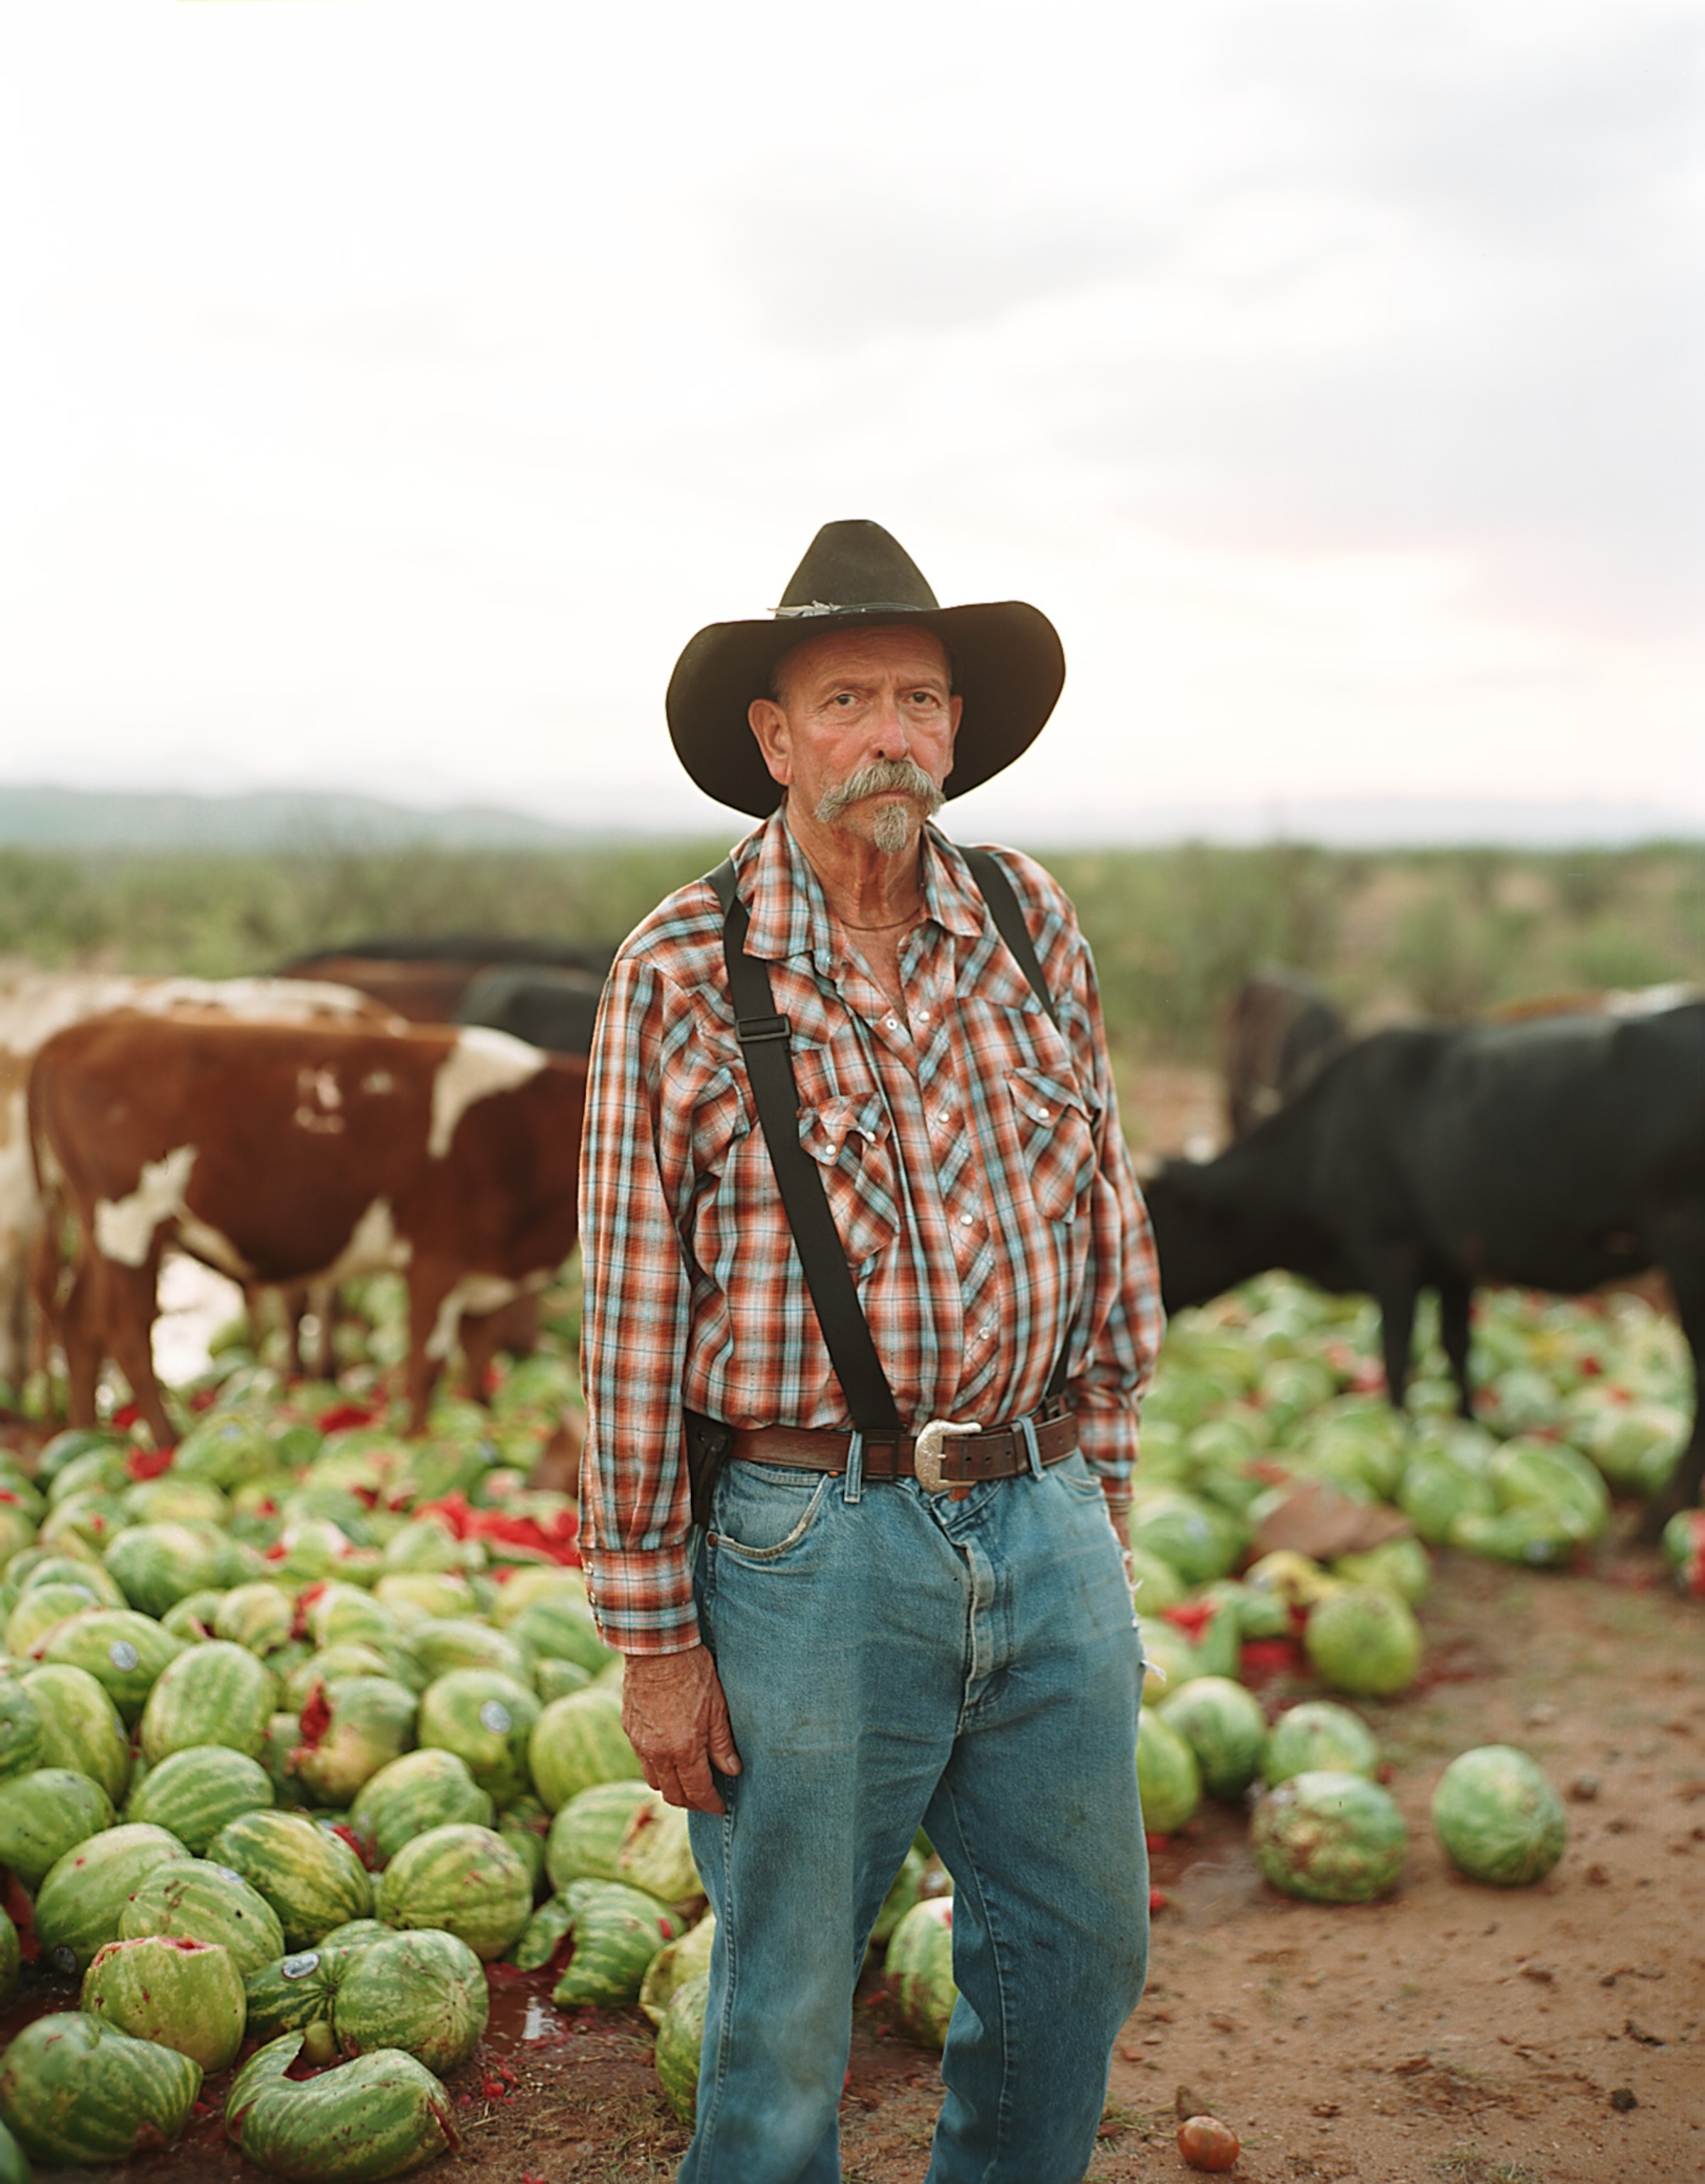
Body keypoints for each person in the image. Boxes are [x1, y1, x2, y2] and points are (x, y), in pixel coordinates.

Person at [577, 518, 1164, 2184]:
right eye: (846, 699)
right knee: (782, 2021)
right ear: (774, 739)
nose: (890, 732)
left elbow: (1103, 1234)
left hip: (1042, 1516)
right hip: (807, 1549)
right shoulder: (682, 971)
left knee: (1077, 1951)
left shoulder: (1030, 922)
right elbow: (628, 1323)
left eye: (920, 696)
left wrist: (1096, 1513)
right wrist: (652, 1640)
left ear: (957, 731)